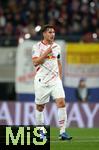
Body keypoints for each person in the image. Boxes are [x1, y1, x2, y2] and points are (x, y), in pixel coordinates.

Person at [32, 24, 72, 140]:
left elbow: (59, 63)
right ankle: (40, 133)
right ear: (44, 34)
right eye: (49, 32)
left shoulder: (57, 47)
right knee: (40, 107)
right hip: (42, 81)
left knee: (61, 103)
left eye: (53, 32)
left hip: (55, 81)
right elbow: (35, 62)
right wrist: (46, 53)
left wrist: (59, 78)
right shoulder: (37, 47)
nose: (52, 34)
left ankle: (63, 132)